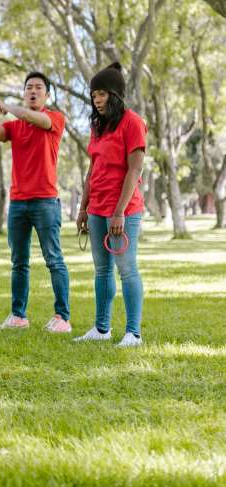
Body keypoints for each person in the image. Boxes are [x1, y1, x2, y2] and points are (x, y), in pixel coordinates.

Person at [0, 72, 71, 333]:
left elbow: (34, 118)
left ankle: (62, 317)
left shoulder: (54, 119)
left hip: (45, 201)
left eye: (38, 87)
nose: (33, 90)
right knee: (19, 261)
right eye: (28, 87)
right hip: (18, 202)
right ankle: (18, 316)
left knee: (54, 259)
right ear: (23, 92)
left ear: (47, 95)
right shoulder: (14, 127)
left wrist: (7, 107)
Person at [74, 62, 146, 347]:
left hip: (123, 210)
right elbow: (92, 170)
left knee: (126, 268)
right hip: (96, 208)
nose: (97, 100)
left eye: (102, 94)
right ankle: (101, 328)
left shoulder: (133, 122)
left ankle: (133, 333)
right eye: (94, 95)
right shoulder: (97, 126)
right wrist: (83, 208)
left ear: (115, 95)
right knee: (101, 270)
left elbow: (134, 170)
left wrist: (119, 212)